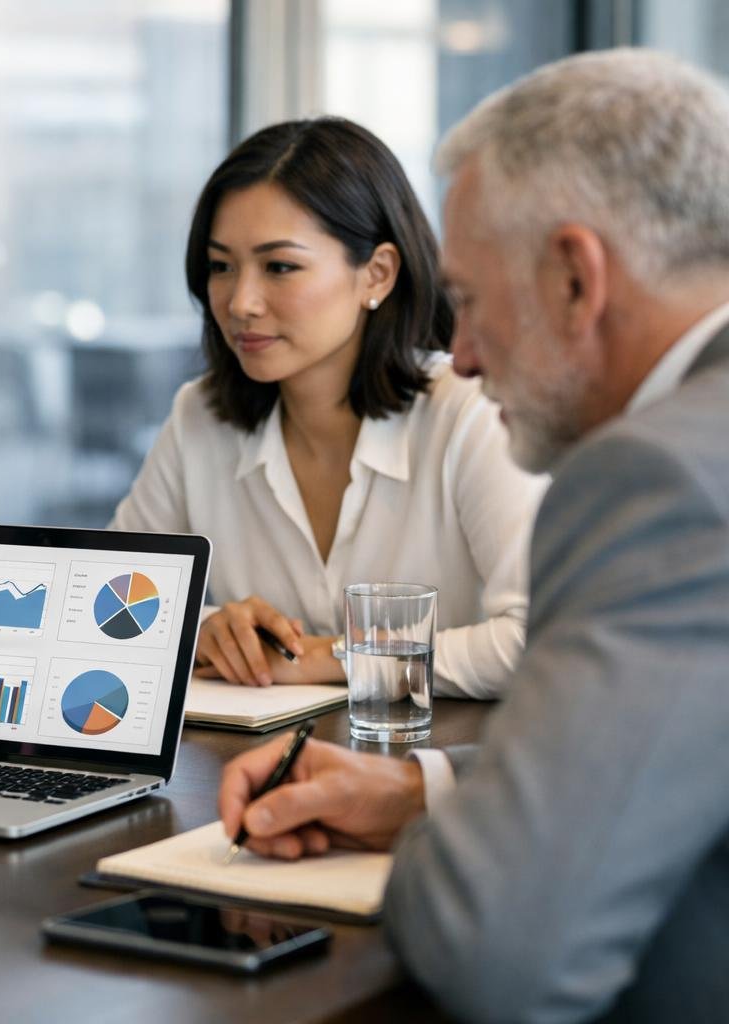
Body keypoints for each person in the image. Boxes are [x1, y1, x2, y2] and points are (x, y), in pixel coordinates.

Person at [218, 49, 729, 1022]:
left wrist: (447, 846)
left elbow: (494, 945)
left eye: (473, 302)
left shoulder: (659, 476)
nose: (460, 354)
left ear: (575, 278)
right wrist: (428, 790)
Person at [111, 118, 545, 699]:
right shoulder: (201, 416)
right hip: (263, 753)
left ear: (377, 274)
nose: (240, 302)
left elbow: (540, 638)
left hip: (441, 752)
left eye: (279, 267)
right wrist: (202, 629)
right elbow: (108, 600)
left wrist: (334, 656)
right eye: (221, 266)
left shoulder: (470, 413)